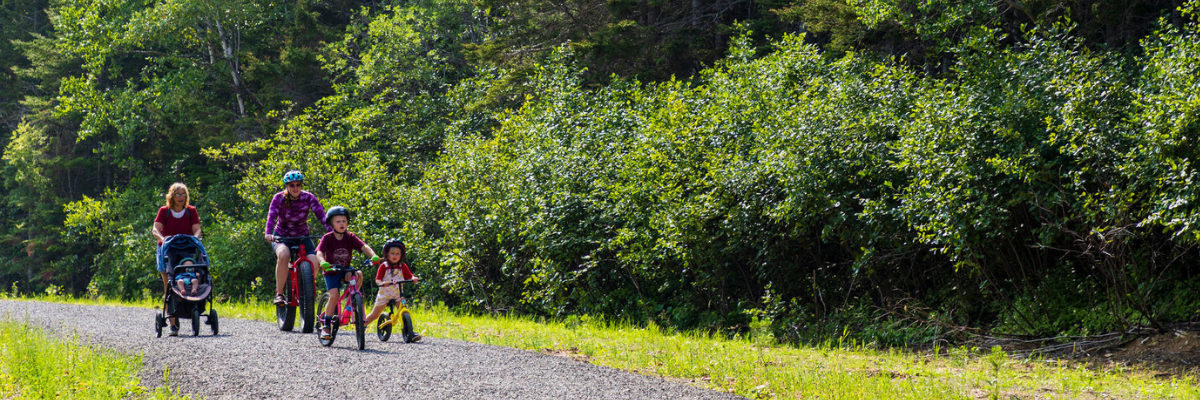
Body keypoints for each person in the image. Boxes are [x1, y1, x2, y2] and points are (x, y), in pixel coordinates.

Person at [264, 170, 330, 306]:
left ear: (301, 185)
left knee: (314, 261)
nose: (295, 188)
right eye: (292, 185)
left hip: (302, 236)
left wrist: (332, 232)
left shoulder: (309, 197)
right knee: (284, 254)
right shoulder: (279, 198)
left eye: (298, 185)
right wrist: (268, 233)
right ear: (287, 186)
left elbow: (322, 216)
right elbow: (272, 216)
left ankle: (305, 288)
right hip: (281, 236)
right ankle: (280, 293)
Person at [315, 206, 378, 340]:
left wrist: (373, 256)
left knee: (358, 274)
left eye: (344, 221)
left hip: (345, 269)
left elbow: (364, 246)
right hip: (331, 271)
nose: (341, 224)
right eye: (338, 221)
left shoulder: (350, 237)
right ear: (331, 223)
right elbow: (319, 252)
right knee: (334, 296)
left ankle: (352, 302)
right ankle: (326, 326)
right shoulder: (327, 238)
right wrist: (322, 262)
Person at [152, 182, 202, 335]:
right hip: (167, 251)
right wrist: (163, 238)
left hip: (186, 250)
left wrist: (195, 239)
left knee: (192, 274)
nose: (181, 197)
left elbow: (197, 229)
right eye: (178, 194)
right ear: (172, 196)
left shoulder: (191, 211)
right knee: (169, 285)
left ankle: (191, 306)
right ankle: (173, 322)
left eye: (184, 194)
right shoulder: (164, 211)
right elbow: (155, 229)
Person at [364, 238, 422, 343]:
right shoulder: (383, 266)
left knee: (404, 311)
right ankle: (362, 326)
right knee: (375, 314)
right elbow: (378, 279)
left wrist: (413, 279)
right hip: (384, 295)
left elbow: (409, 276)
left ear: (401, 255)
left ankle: (410, 331)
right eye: (392, 253)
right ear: (387, 254)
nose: (395, 256)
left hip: (398, 295)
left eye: (397, 254)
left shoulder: (402, 266)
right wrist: (381, 283)